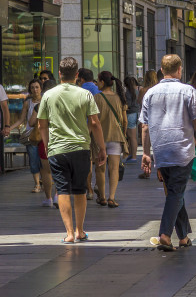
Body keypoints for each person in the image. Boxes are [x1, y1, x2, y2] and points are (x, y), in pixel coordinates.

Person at [140, 55, 196, 250]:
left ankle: (183, 237)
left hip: (161, 151)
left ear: (162, 70)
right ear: (180, 70)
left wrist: (146, 153)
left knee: (174, 191)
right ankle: (165, 234)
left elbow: (145, 127)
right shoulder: (187, 91)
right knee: (175, 192)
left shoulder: (150, 93)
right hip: (182, 150)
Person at [37, 57, 107, 244]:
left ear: (59, 73)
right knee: (79, 190)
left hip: (57, 149)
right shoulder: (85, 95)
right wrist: (102, 148)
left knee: (63, 190)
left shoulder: (48, 95)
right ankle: (80, 230)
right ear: (77, 75)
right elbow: (95, 123)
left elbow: (41, 125)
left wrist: (48, 144)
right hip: (81, 148)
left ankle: (68, 233)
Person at [93, 71, 128, 208]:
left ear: (102, 82)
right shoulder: (120, 98)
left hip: (98, 138)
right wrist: (123, 135)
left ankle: (102, 197)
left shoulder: (96, 98)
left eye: (98, 81)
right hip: (116, 137)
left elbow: (93, 120)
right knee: (114, 169)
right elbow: (125, 121)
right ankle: (111, 198)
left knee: (100, 169)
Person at [9, 79, 43, 193]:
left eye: (37, 87)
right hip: (31, 135)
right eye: (32, 87)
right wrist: (10, 128)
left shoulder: (46, 101)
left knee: (44, 160)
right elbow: (21, 120)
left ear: (41, 88)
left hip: (44, 135)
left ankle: (44, 180)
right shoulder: (27, 103)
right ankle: (37, 184)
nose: (35, 90)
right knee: (33, 159)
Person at [30, 79, 58, 207]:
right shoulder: (61, 104)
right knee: (59, 170)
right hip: (59, 140)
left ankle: (48, 199)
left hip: (44, 140)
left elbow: (31, 122)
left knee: (46, 171)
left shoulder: (40, 105)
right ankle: (58, 196)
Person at [137, 71, 158, 179]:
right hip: (157, 120)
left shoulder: (143, 90)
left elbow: (139, 101)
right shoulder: (158, 90)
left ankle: (146, 171)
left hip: (145, 120)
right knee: (157, 147)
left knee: (146, 146)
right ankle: (160, 171)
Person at [123, 77, 140, 163]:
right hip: (136, 114)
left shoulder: (127, 93)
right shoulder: (136, 92)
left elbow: (127, 105)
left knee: (131, 137)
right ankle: (132, 155)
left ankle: (133, 156)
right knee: (132, 137)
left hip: (130, 114)